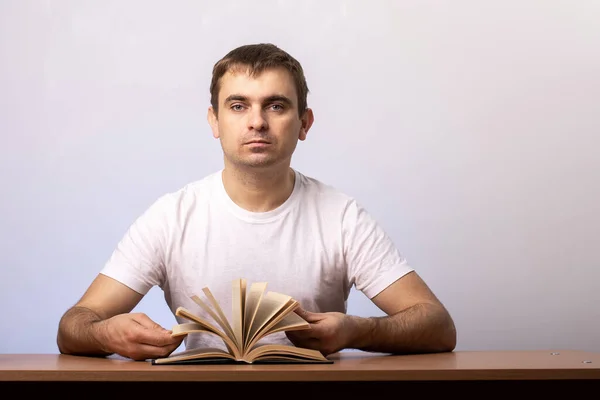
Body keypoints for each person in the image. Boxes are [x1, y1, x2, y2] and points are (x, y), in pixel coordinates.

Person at [56, 43, 457, 361]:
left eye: (276, 105)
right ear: (214, 121)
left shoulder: (341, 217)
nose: (257, 122)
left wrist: (357, 330)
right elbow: (73, 325)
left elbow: (438, 325)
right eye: (238, 105)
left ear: (304, 123)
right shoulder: (171, 216)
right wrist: (104, 333)